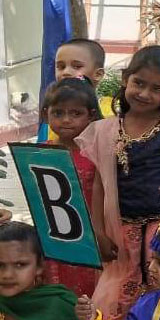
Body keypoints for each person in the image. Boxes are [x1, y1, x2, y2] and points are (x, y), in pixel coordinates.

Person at [76, 45, 160, 320]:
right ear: (125, 79)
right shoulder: (105, 130)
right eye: (139, 83)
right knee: (120, 291)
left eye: (157, 89)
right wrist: (98, 231)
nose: (145, 94)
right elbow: (100, 185)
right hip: (121, 228)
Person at [39, 77, 103, 297]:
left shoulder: (96, 153)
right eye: (58, 113)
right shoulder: (40, 153)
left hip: (89, 237)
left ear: (91, 115)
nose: (66, 120)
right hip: (53, 236)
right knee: (57, 287)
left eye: (76, 113)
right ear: (46, 113)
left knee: (89, 292)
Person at [39, 37, 109, 142]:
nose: (66, 72)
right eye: (61, 67)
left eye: (77, 66)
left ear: (98, 74)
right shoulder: (51, 106)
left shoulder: (110, 112)